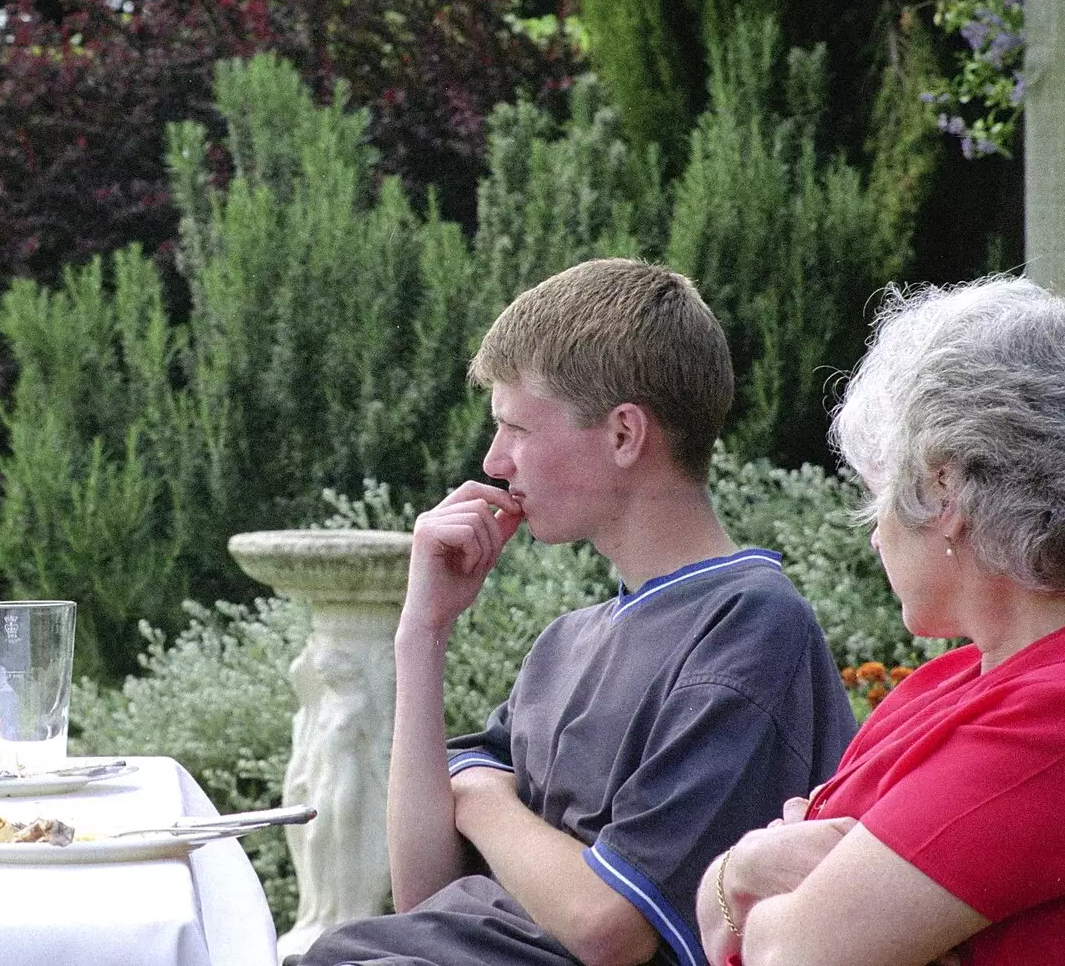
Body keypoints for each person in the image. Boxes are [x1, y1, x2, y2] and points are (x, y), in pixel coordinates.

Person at [300, 258, 855, 966]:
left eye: (517, 427)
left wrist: (477, 792)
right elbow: (424, 890)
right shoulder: (566, 642)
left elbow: (607, 925)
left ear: (625, 434)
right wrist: (423, 632)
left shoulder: (749, 628)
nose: (496, 461)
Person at [696, 277, 1065, 966]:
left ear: (944, 488)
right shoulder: (948, 683)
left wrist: (750, 898)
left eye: (877, 494)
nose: (875, 534)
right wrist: (743, 871)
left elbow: (794, 954)